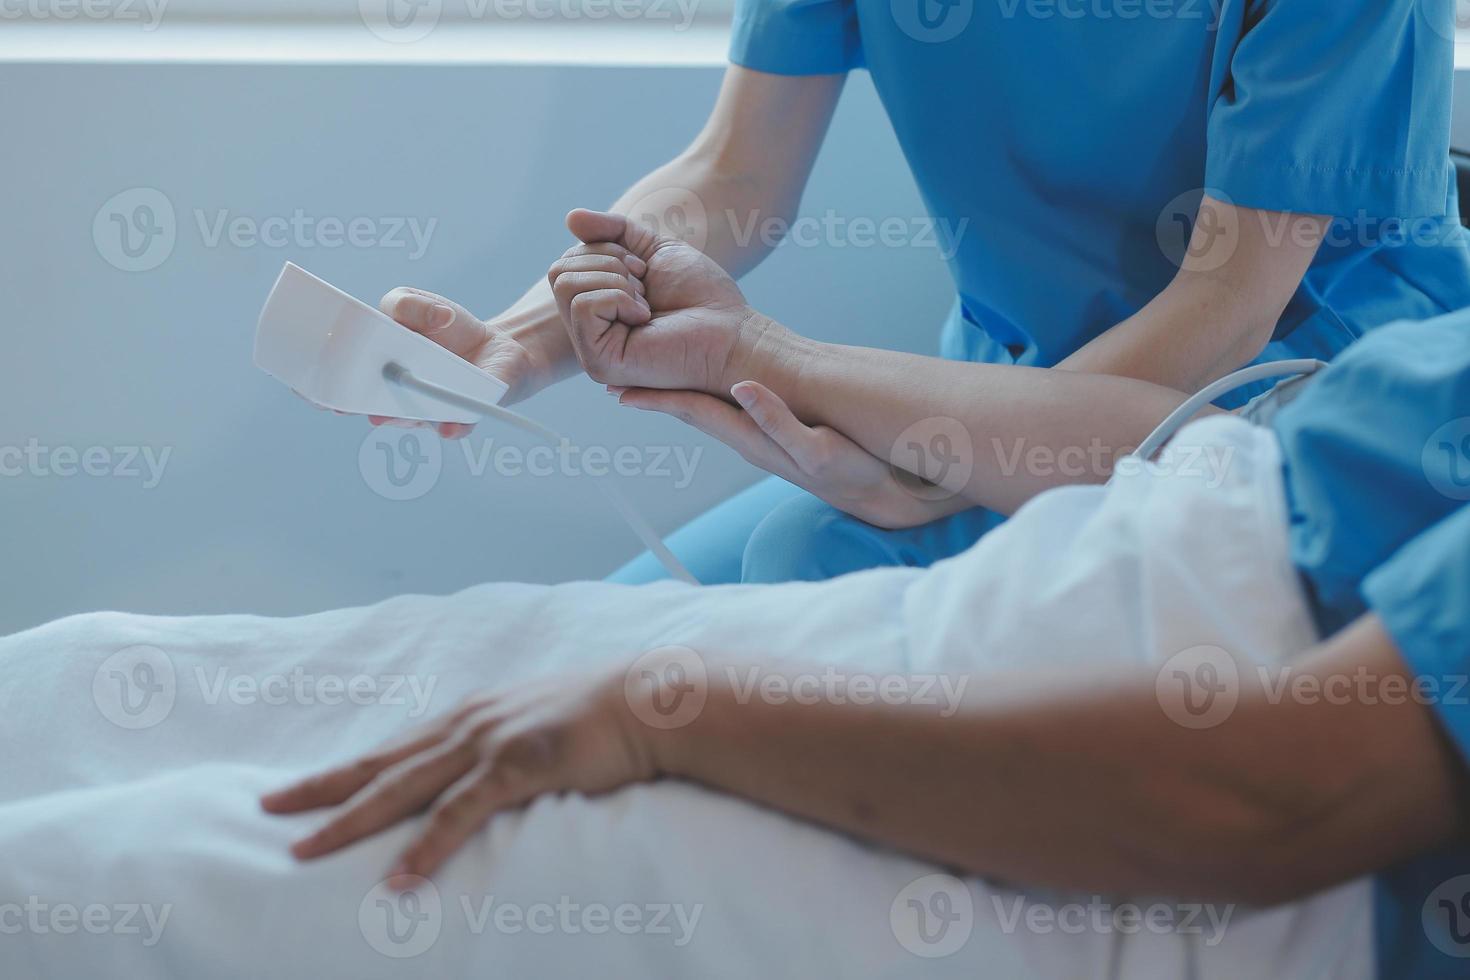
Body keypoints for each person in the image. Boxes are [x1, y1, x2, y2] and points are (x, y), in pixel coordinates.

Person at [267, 261, 1470, 975]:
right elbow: (729, 165)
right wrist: (517, 346)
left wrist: (672, 716)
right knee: (342, 691)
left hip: (1134, 689)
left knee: (282, 864)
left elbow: (1272, 793)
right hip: (1135, 510)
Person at [366, 0, 1470, 585]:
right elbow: (732, 174)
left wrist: (944, 470)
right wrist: (513, 345)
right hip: (997, 389)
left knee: (804, 567)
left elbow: (1225, 306)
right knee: (611, 653)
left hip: (1293, 412)